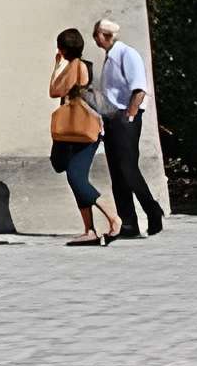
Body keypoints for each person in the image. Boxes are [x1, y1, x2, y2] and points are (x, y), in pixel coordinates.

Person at [92, 17, 166, 238]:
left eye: (97, 35)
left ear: (105, 35)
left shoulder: (127, 54)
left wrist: (130, 116)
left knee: (128, 168)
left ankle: (152, 210)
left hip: (126, 119)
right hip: (113, 119)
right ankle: (128, 223)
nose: (95, 39)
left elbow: (139, 89)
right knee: (117, 172)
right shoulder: (109, 58)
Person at [49, 27, 114, 245]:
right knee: (74, 176)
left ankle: (114, 219)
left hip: (81, 130)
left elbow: (54, 90)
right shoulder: (85, 65)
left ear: (63, 49)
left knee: (76, 177)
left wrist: (57, 65)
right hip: (78, 131)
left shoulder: (74, 66)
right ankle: (90, 230)